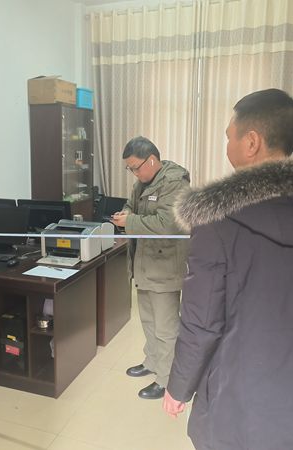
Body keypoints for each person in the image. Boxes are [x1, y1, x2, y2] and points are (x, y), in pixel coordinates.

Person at [162, 88, 293, 449]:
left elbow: (201, 322)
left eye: (229, 137)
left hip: (239, 408)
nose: (226, 146)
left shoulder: (215, 218)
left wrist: (178, 387)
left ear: (252, 142)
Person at [111, 136, 190, 399]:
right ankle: (153, 362)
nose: (134, 173)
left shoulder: (175, 183)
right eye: (130, 169)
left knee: (166, 327)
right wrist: (124, 214)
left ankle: (167, 379)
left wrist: (130, 221)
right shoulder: (142, 183)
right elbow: (131, 206)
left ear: (152, 160)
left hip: (165, 266)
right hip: (145, 262)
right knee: (148, 320)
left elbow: (168, 224)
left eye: (135, 167)